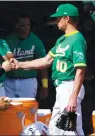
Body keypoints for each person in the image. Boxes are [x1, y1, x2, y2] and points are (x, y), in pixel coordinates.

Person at [10, 3, 86, 135]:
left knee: (69, 130)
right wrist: (20, 64)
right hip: (61, 90)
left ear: (66, 18)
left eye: (58, 18)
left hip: (70, 87)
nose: (56, 21)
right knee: (56, 129)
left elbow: (80, 70)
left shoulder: (77, 39)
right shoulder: (62, 40)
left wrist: (73, 97)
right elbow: (46, 61)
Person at [4, 14, 48, 98]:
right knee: (9, 109)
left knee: (27, 109)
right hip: (9, 81)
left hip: (28, 81)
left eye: (28, 25)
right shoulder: (8, 40)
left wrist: (45, 86)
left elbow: (44, 64)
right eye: (23, 25)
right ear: (17, 25)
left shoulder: (36, 40)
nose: (26, 28)